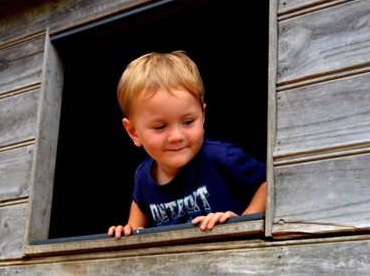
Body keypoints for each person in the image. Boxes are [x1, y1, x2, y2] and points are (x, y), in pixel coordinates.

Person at [108, 51, 267, 239]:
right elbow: (138, 215)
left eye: (188, 122)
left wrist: (245, 221)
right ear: (134, 132)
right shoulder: (143, 177)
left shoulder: (221, 157)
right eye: (160, 126)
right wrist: (127, 230)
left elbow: (268, 183)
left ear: (203, 115)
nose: (176, 136)